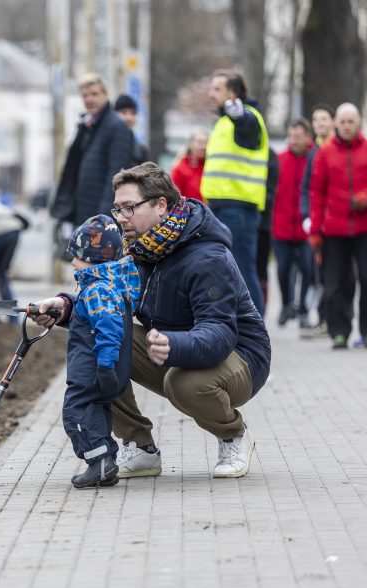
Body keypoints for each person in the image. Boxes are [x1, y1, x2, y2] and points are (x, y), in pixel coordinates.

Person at [31, 163, 271, 479]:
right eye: (117, 209)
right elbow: (107, 301)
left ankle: (233, 435)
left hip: (238, 358)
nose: (120, 218)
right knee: (98, 338)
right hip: (172, 347)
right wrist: (63, 306)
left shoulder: (207, 257)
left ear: (160, 205)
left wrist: (175, 343)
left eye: (130, 208)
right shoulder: (142, 249)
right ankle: (140, 448)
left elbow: (220, 333)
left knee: (184, 383)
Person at [59, 214, 141, 488]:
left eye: (78, 256)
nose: (73, 262)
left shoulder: (98, 290)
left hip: (93, 370)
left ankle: (100, 461)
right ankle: (105, 462)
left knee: (76, 411)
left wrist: (106, 365)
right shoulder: (108, 285)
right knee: (95, 412)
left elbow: (109, 330)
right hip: (99, 370)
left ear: (94, 259)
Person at [308, 103, 367, 349]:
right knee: (336, 283)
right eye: (342, 122)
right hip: (334, 230)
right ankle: (339, 332)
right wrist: (314, 231)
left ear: (359, 123)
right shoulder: (325, 153)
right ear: (336, 124)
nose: (345, 126)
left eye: (350, 122)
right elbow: (316, 193)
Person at [201, 69, 270, 315]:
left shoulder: (246, 117)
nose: (211, 94)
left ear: (233, 93)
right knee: (230, 270)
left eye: (217, 89)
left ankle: (255, 333)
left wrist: (238, 114)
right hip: (223, 206)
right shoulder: (223, 122)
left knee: (242, 270)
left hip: (238, 208)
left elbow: (248, 127)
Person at [50, 73, 134, 227]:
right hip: (82, 213)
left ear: (105, 94)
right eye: (85, 95)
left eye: (94, 94)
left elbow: (116, 175)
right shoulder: (87, 126)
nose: (89, 99)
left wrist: (102, 219)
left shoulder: (117, 127)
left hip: (99, 218)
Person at [272, 118, 316, 329]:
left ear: (308, 137)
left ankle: (304, 311)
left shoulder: (315, 158)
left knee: (307, 270)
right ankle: (286, 304)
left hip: (306, 228)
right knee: (282, 270)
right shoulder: (280, 159)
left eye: (298, 136)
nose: (294, 140)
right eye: (291, 136)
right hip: (281, 227)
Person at [300, 104, 337, 337]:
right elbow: (306, 188)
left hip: (336, 221)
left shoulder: (337, 148)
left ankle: (334, 321)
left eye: (324, 119)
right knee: (320, 273)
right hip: (317, 225)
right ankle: (324, 320)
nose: (320, 124)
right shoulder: (313, 153)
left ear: (333, 121)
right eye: (316, 120)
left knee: (335, 274)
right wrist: (306, 215)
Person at [256, 148, 279, 313]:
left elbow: (271, 190)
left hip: (261, 222)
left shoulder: (269, 154)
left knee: (260, 269)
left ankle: (260, 311)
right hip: (238, 219)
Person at [170, 130, 208, 202]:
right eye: (200, 143)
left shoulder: (209, 166)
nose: (203, 147)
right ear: (191, 144)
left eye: (206, 143)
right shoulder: (180, 166)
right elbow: (173, 195)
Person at [114, 94, 151, 166]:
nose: (129, 118)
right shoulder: (105, 144)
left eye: (132, 113)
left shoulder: (142, 150)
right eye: (124, 112)